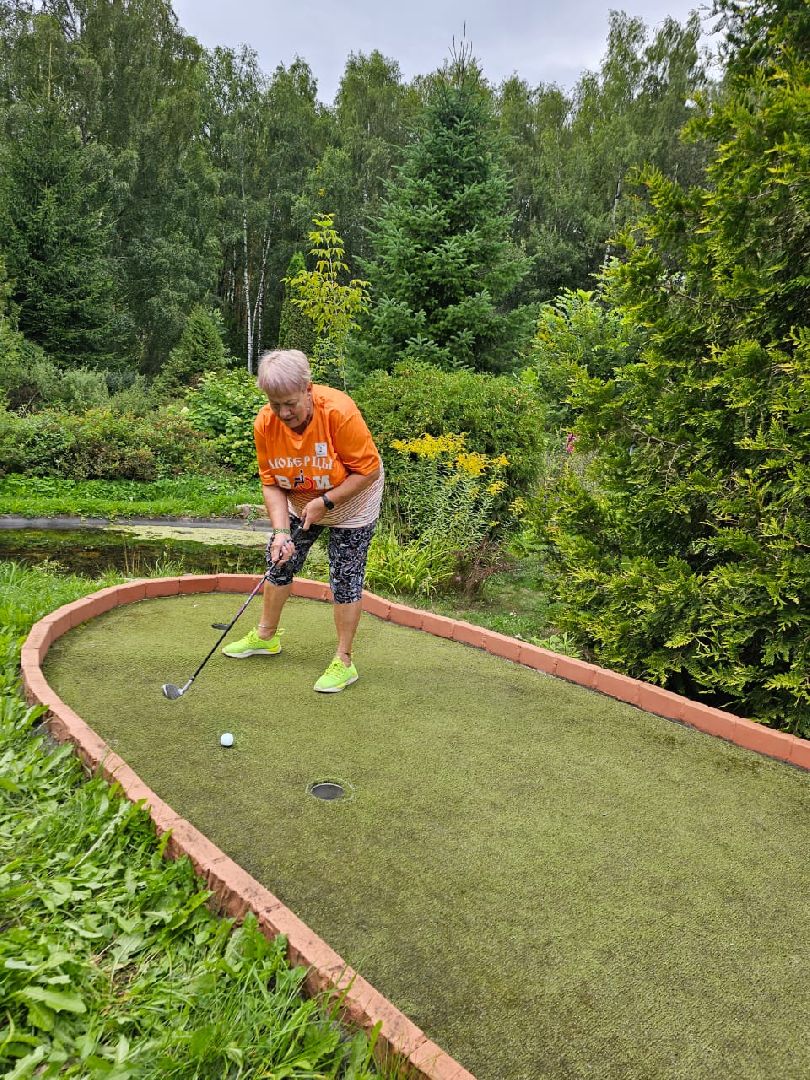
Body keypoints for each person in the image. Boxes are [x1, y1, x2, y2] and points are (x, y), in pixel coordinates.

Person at [222, 349, 384, 693]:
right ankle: (266, 637)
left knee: (345, 575)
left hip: (354, 498)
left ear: (308, 388)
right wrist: (281, 531)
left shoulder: (339, 411)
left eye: (290, 403)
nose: (283, 412)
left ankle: (344, 660)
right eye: (274, 403)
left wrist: (326, 502)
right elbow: (270, 482)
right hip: (302, 495)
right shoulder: (266, 423)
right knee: (279, 558)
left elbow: (367, 469)